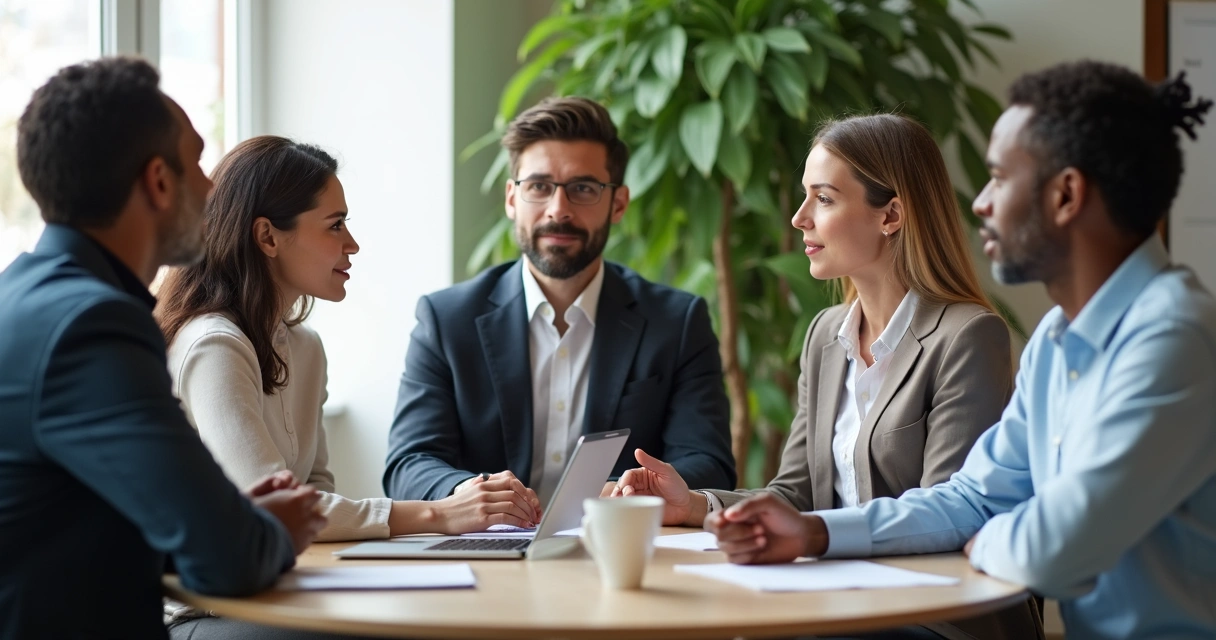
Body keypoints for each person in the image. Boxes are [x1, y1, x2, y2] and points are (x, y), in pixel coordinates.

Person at [705, 61, 1216, 640]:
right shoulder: (1055, 341)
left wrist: (992, 537)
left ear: (1066, 195)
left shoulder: (1172, 337)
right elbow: (972, 498)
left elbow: (1056, 549)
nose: (980, 203)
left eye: (1000, 177)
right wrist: (813, 534)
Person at [613, 114, 1041, 640]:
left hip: (937, 616)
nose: (798, 219)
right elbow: (794, 494)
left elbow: (950, 514)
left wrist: (815, 540)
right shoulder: (826, 335)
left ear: (892, 215)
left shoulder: (968, 336)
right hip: (835, 600)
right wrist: (696, 505)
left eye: (824, 198)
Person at [0, 57, 325, 639]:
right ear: (157, 181)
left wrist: (243, 524)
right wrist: (264, 531)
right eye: (198, 163)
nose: (212, 189)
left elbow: (96, 523)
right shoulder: (92, 325)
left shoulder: (23, 298)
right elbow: (224, 557)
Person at [157, 135, 542, 548]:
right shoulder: (214, 347)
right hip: (205, 607)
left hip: (279, 578)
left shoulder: (305, 348)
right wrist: (442, 513)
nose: (352, 244)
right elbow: (275, 507)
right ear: (268, 237)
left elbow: (316, 491)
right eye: (335, 225)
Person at [384, 97, 735, 507]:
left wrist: (635, 487)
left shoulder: (676, 322)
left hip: (614, 546)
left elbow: (707, 461)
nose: (558, 210)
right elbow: (410, 462)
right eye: (539, 187)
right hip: (484, 548)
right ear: (512, 199)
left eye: (583, 189)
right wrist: (469, 494)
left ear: (618, 203)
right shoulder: (446, 320)